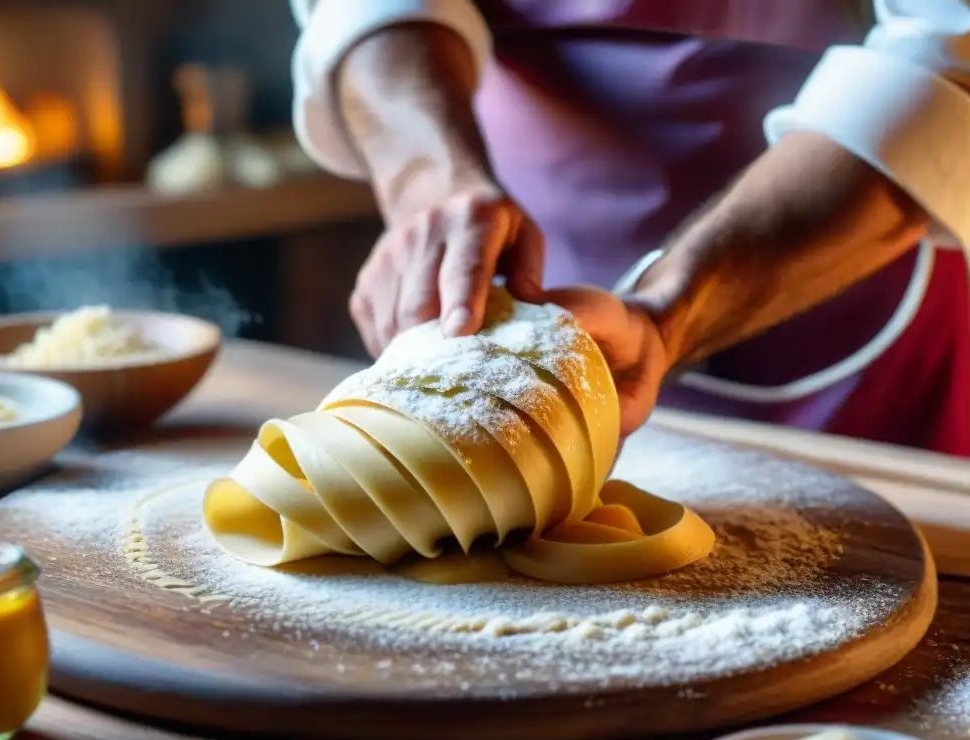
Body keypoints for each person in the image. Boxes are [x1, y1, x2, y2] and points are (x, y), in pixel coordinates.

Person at [287, 0, 970, 457]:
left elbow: (948, 49)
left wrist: (669, 314)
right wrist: (432, 182)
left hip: (843, 271)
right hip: (522, 246)